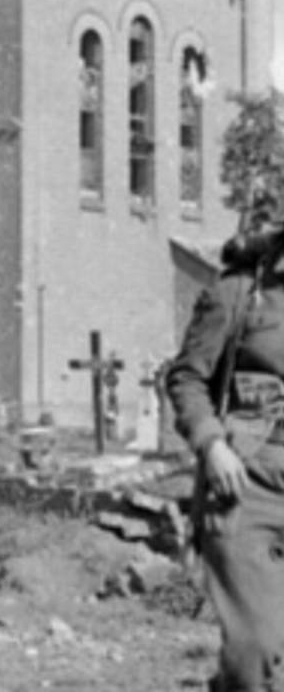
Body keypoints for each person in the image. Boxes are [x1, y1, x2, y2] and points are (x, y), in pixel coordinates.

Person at [168, 228, 284, 692]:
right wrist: (211, 443)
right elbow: (187, 378)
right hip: (246, 485)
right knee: (252, 652)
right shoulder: (241, 291)